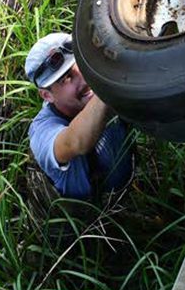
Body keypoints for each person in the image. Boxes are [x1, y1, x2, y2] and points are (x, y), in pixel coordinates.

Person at [25, 32, 133, 200]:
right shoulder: (41, 131)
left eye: (81, 67)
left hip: (132, 190)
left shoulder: (100, 87)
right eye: (66, 79)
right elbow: (76, 142)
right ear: (47, 96)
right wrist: (110, 82)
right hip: (94, 220)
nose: (82, 81)